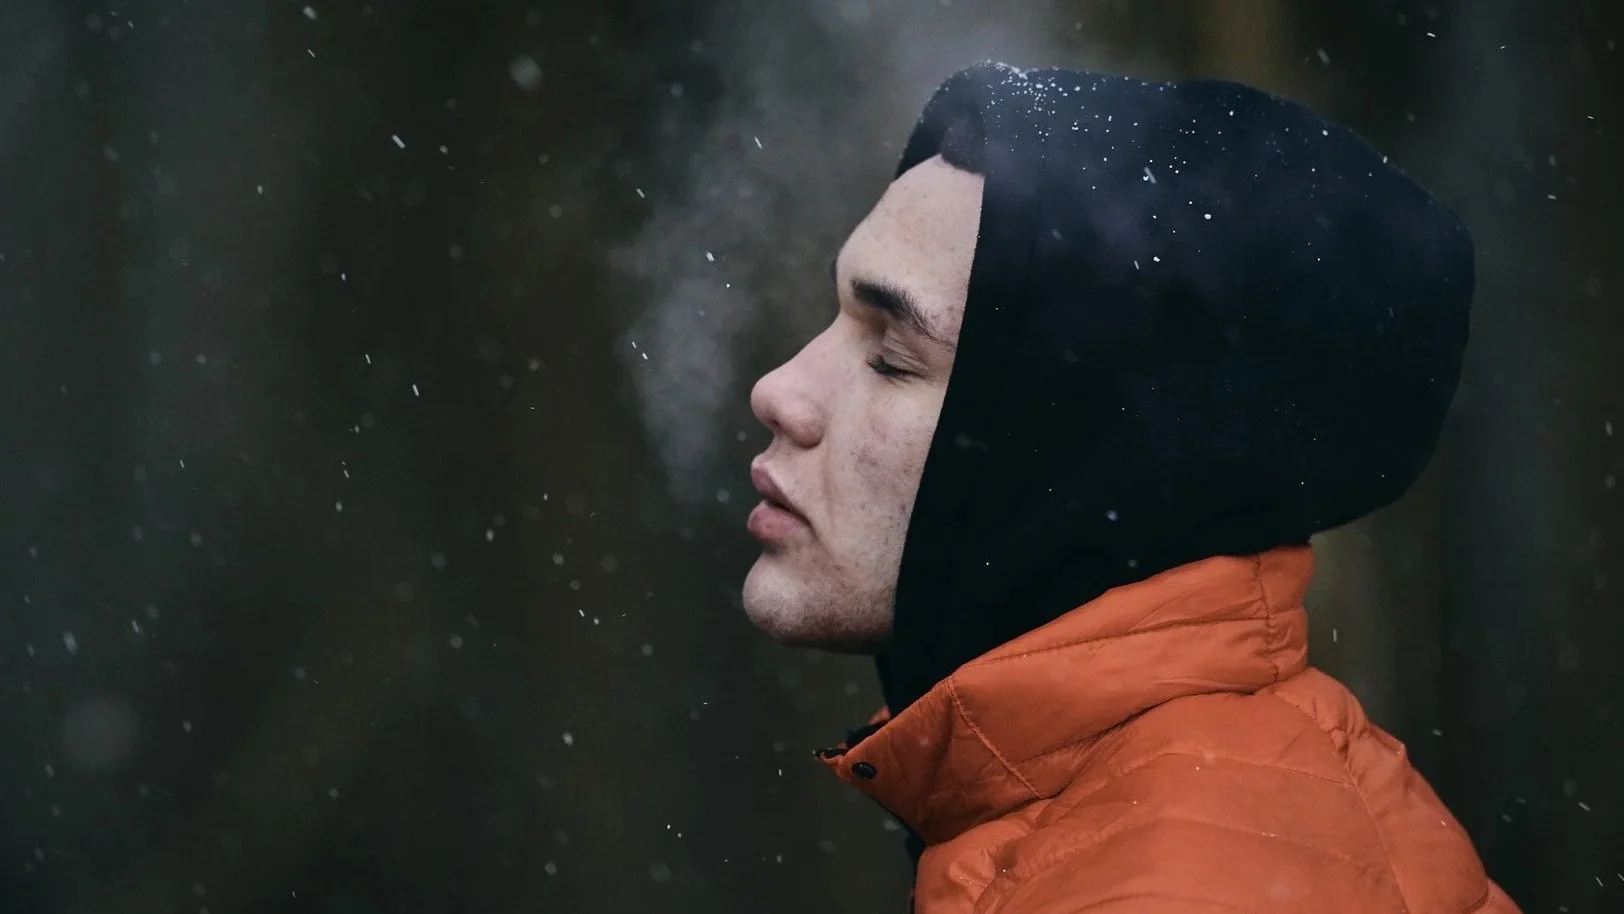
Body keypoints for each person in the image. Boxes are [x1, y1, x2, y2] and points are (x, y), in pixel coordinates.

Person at [740, 62, 1519, 914]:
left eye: (891, 355)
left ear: (1075, 451)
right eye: (836, 318)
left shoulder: (1179, 889)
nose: (779, 389)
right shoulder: (1168, 809)